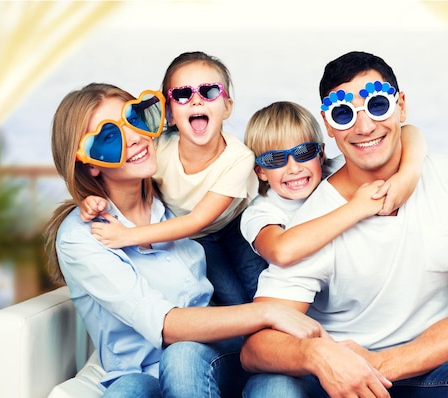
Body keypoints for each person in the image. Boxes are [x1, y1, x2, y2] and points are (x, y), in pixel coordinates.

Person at [239, 51, 448, 397]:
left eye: (378, 105)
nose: (364, 127)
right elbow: (255, 347)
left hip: (432, 368)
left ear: (401, 106)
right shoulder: (315, 220)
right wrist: (317, 354)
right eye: (344, 114)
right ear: (329, 125)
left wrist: (376, 367)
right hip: (336, 377)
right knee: (270, 390)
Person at [43, 83, 327, 397]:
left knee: (253, 380)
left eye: (134, 120)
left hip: (218, 353)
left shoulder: (174, 200)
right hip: (141, 372)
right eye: (111, 136)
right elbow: (164, 324)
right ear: (90, 162)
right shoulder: (80, 237)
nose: (136, 138)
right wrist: (268, 312)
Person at [80, 51, 267, 306]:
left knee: (260, 287)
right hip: (193, 238)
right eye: (182, 95)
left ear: (227, 108)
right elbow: (120, 180)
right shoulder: (155, 150)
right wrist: (92, 200)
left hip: (234, 225)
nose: (196, 102)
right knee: (232, 299)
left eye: (209, 91)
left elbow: (198, 218)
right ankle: (244, 343)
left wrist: (129, 235)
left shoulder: (239, 158)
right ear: (168, 114)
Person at [240, 101, 426, 267]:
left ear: (320, 154)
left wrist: (408, 175)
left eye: (304, 152)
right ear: (261, 171)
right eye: (275, 159)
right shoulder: (261, 212)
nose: (294, 168)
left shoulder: (337, 171)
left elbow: (408, 132)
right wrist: (357, 208)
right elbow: (281, 252)